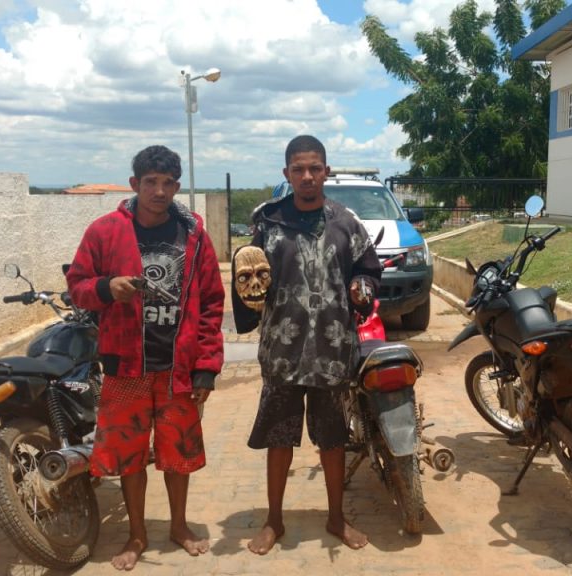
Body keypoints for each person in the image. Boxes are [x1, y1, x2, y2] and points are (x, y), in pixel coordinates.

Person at [67, 145, 224, 571]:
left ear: (176, 186)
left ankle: (178, 526)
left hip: (178, 369)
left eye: (167, 183)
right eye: (150, 181)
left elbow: (211, 301)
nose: (159, 190)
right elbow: (77, 284)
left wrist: (207, 366)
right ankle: (136, 534)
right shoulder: (104, 232)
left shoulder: (193, 234)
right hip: (125, 366)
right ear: (135, 184)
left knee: (178, 454)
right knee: (129, 456)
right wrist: (105, 288)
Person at [232, 135, 382, 554]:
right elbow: (248, 274)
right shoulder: (269, 223)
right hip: (283, 350)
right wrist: (247, 306)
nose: (307, 176)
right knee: (279, 438)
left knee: (332, 437)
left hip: (333, 352)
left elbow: (369, 270)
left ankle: (336, 518)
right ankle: (273, 521)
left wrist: (361, 287)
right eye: (298, 169)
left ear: (326, 172)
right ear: (287, 174)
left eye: (315, 168)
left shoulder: (346, 223)